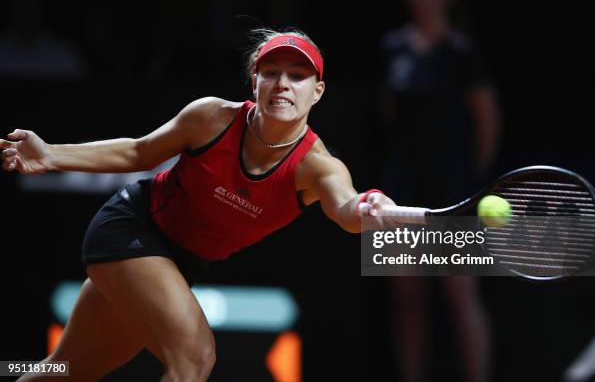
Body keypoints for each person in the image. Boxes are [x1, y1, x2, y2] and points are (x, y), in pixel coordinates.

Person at [1, 28, 397, 381]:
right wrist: (51, 154)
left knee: (67, 370)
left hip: (177, 263)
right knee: (195, 357)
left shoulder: (317, 167)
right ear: (254, 80)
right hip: (131, 229)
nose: (283, 84)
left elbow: (346, 210)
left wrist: (367, 207)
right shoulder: (211, 118)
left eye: (297, 76)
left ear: (318, 91)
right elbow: (137, 152)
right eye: (271, 72)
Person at [378, 0, 500, 381]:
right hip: (403, 187)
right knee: (406, 297)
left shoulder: (462, 50)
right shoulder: (392, 47)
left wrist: (469, 177)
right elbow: (390, 111)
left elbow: (486, 120)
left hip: (453, 186)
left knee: (459, 294)